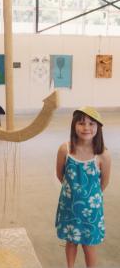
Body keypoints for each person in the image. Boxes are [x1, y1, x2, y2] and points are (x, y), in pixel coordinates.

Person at [55, 106, 111, 268]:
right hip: (69, 206)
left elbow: (104, 183)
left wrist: (88, 198)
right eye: (81, 123)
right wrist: (73, 194)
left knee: (89, 245)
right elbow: (60, 175)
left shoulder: (103, 155)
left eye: (91, 124)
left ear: (98, 127)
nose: (86, 128)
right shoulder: (65, 149)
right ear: (74, 126)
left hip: (91, 211)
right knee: (71, 241)